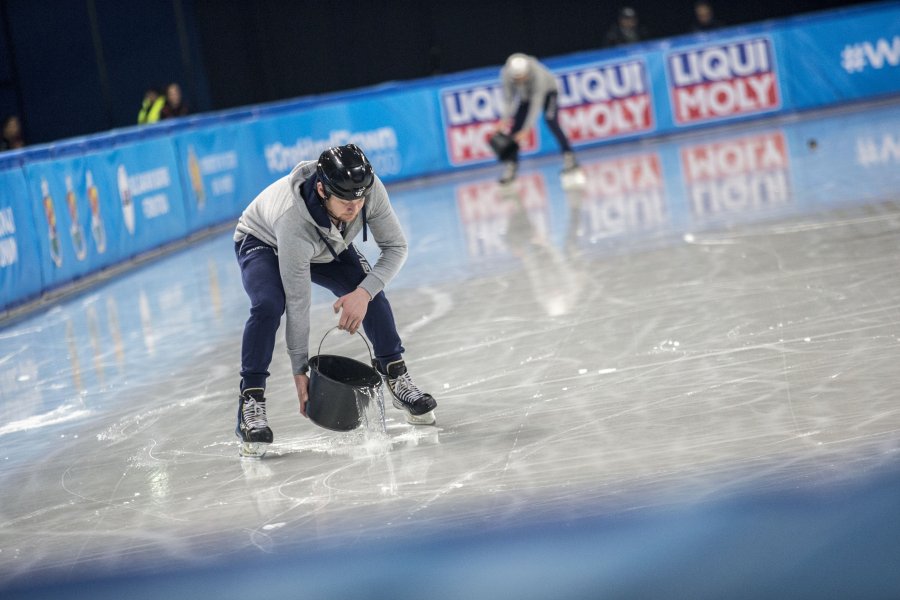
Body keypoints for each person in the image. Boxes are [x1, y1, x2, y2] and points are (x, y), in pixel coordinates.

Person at [232, 143, 438, 456]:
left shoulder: (366, 189)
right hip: (264, 241)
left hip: (325, 241)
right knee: (268, 305)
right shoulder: (293, 221)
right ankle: (251, 399)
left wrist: (364, 293)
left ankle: (396, 376)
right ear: (322, 189)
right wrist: (300, 371)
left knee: (368, 288)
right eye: (345, 199)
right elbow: (298, 304)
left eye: (360, 197)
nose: (355, 206)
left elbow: (396, 247)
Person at [496, 53, 579, 184]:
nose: (519, 82)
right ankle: (511, 166)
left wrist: (527, 129)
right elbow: (509, 98)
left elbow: (536, 104)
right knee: (515, 129)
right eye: (516, 80)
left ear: (527, 73)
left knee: (551, 120)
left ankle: (569, 156)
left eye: (522, 78)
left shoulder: (537, 74)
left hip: (548, 92)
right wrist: (504, 119)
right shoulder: (505, 74)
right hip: (526, 97)